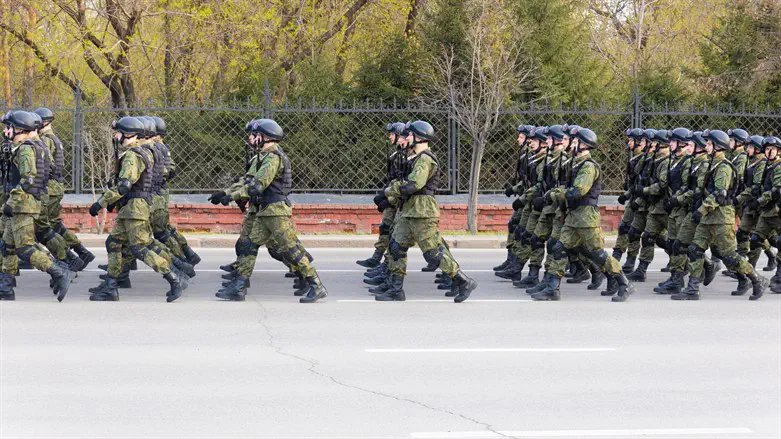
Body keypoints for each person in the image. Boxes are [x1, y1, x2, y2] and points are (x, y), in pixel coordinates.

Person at [216, 119, 327, 303]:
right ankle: (239, 287)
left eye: (255, 135)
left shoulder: (274, 157)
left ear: (265, 137)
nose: (252, 138)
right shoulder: (264, 156)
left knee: (290, 250)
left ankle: (316, 285)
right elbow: (248, 181)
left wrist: (234, 196)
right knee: (248, 246)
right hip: (265, 211)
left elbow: (258, 185)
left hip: (276, 212)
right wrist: (226, 193)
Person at [376, 120, 476, 302]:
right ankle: (395, 289)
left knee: (432, 252)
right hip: (409, 210)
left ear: (419, 138)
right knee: (396, 247)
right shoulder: (414, 158)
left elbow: (414, 184)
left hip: (422, 211)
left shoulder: (425, 159)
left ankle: (462, 281)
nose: (406, 138)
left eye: (409, 135)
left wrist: (390, 190)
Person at [87, 116, 184, 302]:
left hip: (135, 208)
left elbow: (124, 185)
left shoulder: (133, 155)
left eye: (118, 133)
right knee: (113, 243)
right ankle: (111, 285)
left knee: (140, 248)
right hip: (130, 208)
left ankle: (173, 277)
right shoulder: (139, 152)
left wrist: (101, 203)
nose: (116, 136)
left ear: (129, 134)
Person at [532, 127, 634, 301]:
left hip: (586, 218)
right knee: (559, 248)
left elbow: (578, 191)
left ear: (582, 144)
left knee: (597, 254)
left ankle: (624, 283)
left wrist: (554, 194)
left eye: (573, 140)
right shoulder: (576, 163)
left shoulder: (588, 166)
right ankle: (552, 288)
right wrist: (550, 194)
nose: (569, 142)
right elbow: (567, 188)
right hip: (573, 217)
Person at [672, 129, 768, 301]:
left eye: (709, 144)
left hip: (722, 217)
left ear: (718, 146)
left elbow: (719, 194)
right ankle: (692, 288)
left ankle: (756, 278)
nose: (706, 146)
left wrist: (700, 211)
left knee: (729, 256)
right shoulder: (710, 163)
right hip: (708, 217)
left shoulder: (723, 167)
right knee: (694, 249)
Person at [0, 111, 75, 301]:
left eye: (9, 127)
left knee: (25, 248)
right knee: (7, 245)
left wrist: (11, 202)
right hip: (26, 203)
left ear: (20, 129)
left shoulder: (26, 149)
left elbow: (27, 179)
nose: (6, 131)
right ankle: (6, 286)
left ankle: (59, 271)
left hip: (23, 204)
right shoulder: (36, 145)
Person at [34, 107, 95, 271]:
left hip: (49, 187)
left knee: (44, 227)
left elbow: (43, 164)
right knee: (53, 225)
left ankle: (68, 257)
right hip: (55, 185)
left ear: (44, 122)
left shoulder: (46, 140)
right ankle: (79, 252)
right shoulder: (53, 138)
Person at [653, 128, 694, 295]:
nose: (669, 144)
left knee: (679, 245)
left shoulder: (687, 162)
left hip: (682, 208)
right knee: (672, 243)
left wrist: (675, 199)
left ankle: (678, 280)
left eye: (673, 141)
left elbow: (686, 186)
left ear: (681, 143)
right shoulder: (674, 160)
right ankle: (675, 276)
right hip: (674, 208)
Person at [612, 129, 645, 267]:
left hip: (645, 202)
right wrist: (626, 195)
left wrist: (636, 200)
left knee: (660, 238)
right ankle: (617, 259)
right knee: (624, 227)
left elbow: (646, 184)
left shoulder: (645, 159)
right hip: (634, 200)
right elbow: (635, 184)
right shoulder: (634, 159)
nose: (629, 142)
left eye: (631, 140)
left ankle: (683, 263)